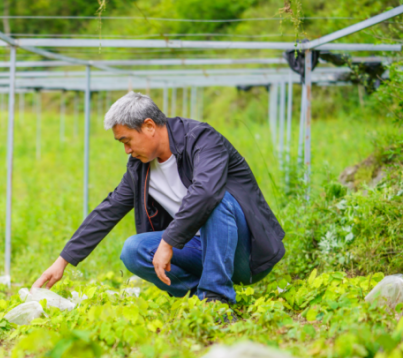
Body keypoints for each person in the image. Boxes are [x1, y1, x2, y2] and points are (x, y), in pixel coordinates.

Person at [32, 92, 284, 305]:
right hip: (199, 250)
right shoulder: (139, 167)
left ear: (149, 126)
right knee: (133, 250)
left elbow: (206, 192)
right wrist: (62, 261)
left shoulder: (202, 139)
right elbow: (108, 211)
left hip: (245, 252)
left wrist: (168, 241)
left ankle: (217, 299)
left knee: (215, 200)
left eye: (127, 140)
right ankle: (202, 297)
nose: (127, 150)